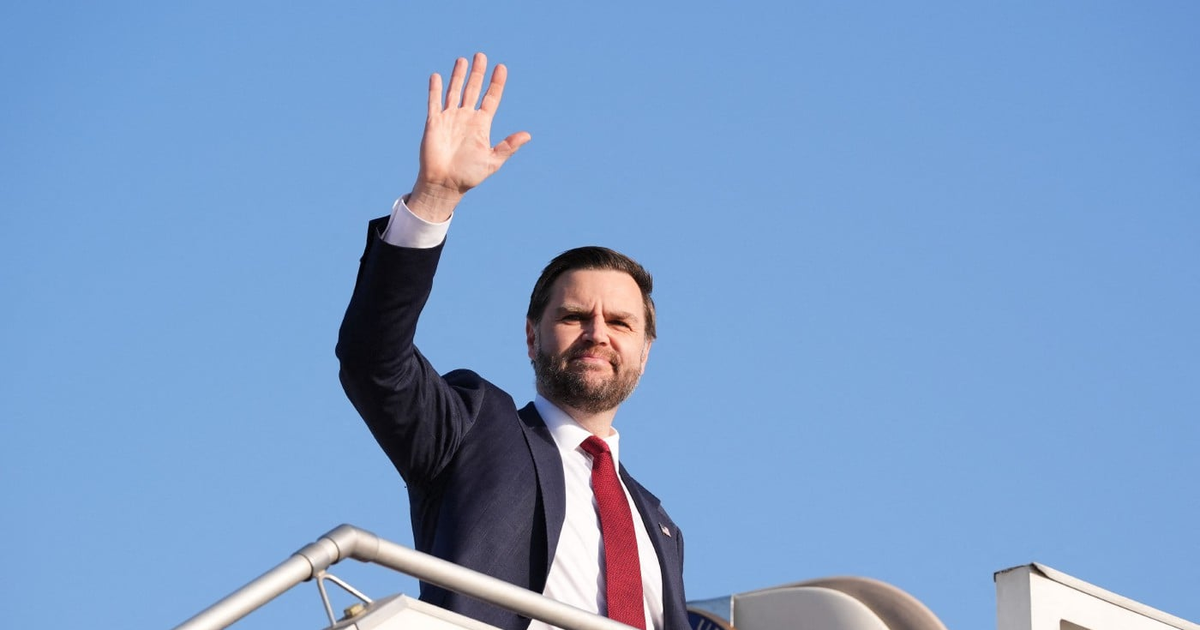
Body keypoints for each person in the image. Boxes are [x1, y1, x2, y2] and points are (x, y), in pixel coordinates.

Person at [337, 53, 688, 630]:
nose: (597, 334)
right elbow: (373, 359)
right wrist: (434, 197)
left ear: (645, 352)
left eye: (621, 323)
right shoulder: (473, 430)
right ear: (531, 336)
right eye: (574, 316)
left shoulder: (661, 526)